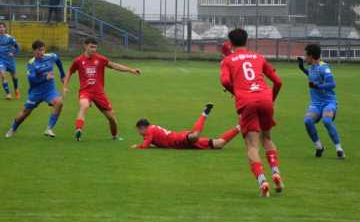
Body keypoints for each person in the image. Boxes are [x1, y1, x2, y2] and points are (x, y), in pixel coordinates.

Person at [221, 29, 283, 197]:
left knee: (252, 145)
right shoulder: (258, 57)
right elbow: (278, 81)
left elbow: (225, 80)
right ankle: (276, 172)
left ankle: (263, 181)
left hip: (246, 101)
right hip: (265, 98)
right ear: (247, 40)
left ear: (230, 42)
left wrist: (236, 91)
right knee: (267, 138)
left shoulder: (228, 60)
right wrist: (272, 99)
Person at [63, 37, 141, 141]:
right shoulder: (78, 61)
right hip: (85, 91)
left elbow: (113, 65)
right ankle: (78, 130)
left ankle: (114, 136)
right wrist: (65, 86)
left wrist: (130, 70)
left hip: (99, 93)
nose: (93, 50)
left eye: (95, 47)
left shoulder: (100, 59)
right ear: (85, 46)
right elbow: (69, 72)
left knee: (111, 118)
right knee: (84, 106)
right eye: (91, 47)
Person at [5, 40, 65, 138]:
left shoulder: (51, 56)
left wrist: (62, 74)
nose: (41, 52)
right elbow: (32, 80)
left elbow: (58, 60)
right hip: (36, 92)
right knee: (25, 113)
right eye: (39, 50)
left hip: (49, 90)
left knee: (59, 103)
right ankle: (13, 129)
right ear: (34, 51)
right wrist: (46, 77)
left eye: (43, 50)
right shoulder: (31, 63)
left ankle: (49, 129)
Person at [298, 44, 345, 159]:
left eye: (306, 55)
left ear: (311, 56)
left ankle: (339, 149)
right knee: (308, 121)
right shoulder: (312, 67)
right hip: (316, 104)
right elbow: (311, 75)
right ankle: (319, 147)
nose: (305, 57)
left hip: (329, 102)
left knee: (327, 121)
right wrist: (302, 68)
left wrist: (317, 86)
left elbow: (332, 84)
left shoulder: (324, 67)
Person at [132, 103, 240, 150]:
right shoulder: (152, 128)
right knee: (219, 143)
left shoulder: (149, 131)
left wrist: (136, 147)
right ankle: (240, 126)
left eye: (138, 130)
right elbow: (154, 143)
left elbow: (145, 146)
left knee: (195, 136)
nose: (139, 133)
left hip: (178, 140)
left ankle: (204, 113)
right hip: (183, 143)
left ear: (142, 127)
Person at [0, 22, 20, 100]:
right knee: (2, 75)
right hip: (1, 60)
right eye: (0, 27)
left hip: (10, 60)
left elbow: (17, 47)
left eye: (2, 27)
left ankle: (16, 89)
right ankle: (8, 94)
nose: (1, 29)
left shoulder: (10, 38)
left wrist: (13, 53)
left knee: (14, 76)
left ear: (5, 28)